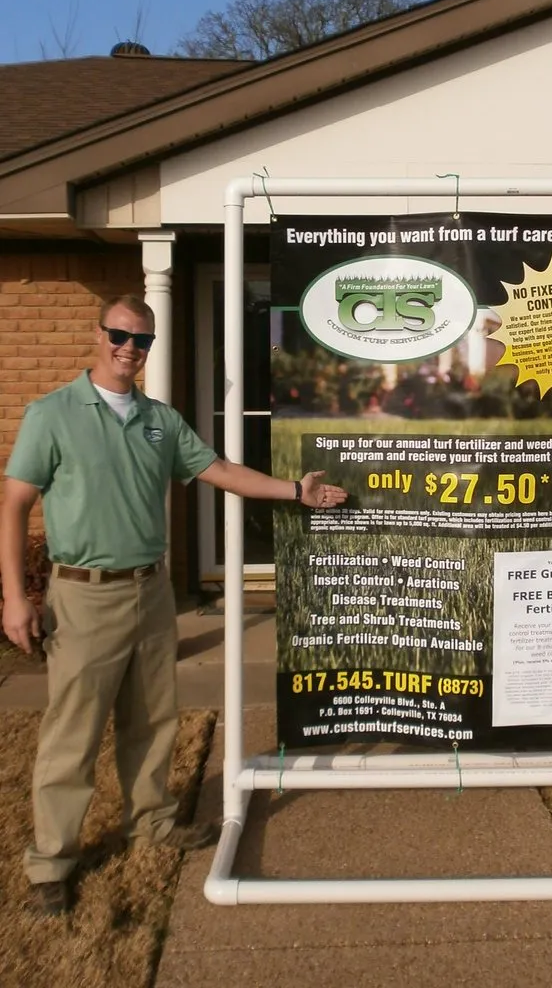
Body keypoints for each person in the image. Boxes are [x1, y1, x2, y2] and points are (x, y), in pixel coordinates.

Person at [0, 294, 348, 917]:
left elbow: (218, 469)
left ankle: (152, 820)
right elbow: (14, 504)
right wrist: (14, 597)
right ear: (97, 334)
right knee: (71, 735)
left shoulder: (160, 419)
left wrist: (295, 491)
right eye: (118, 335)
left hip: (151, 590)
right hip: (81, 595)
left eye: (141, 341)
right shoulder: (52, 414)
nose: (128, 349)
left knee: (155, 718)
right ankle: (52, 861)